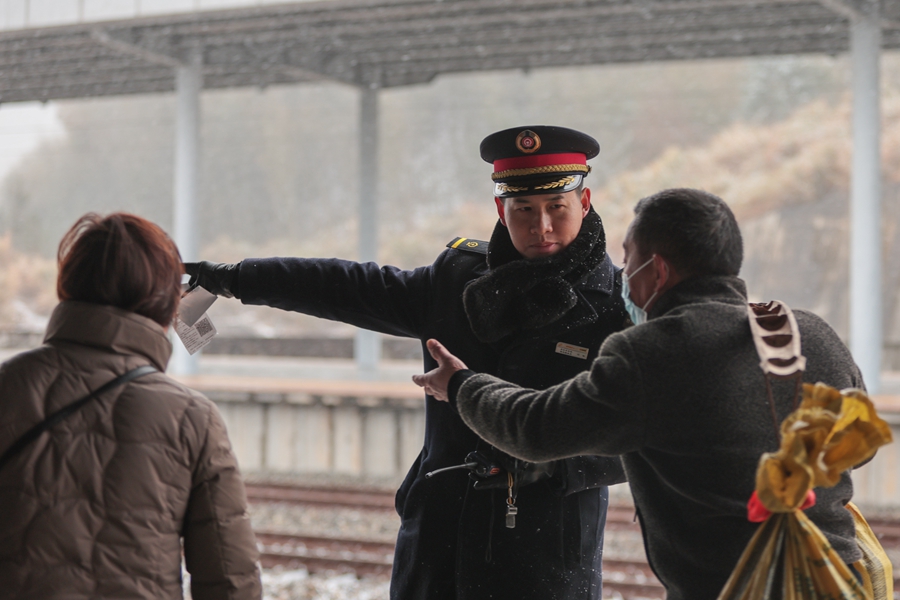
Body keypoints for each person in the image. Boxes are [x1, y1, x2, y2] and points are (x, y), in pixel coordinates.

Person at [185, 126, 631, 599]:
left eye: (556, 208)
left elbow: (642, 438)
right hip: (438, 544)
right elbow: (346, 287)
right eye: (524, 210)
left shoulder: (618, 309)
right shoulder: (456, 281)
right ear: (501, 210)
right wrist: (234, 280)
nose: (541, 227)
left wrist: (548, 465)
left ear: (583, 204)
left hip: (543, 557)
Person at [414, 188, 867, 600]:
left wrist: (459, 383)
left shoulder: (653, 353)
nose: (625, 273)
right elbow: (857, 450)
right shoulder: (807, 331)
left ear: (659, 270)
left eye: (629, 259)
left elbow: (533, 429)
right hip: (840, 578)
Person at [0, 213, 261, 599]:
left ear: (68, 284)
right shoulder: (193, 419)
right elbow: (229, 581)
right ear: (167, 301)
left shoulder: (8, 386)